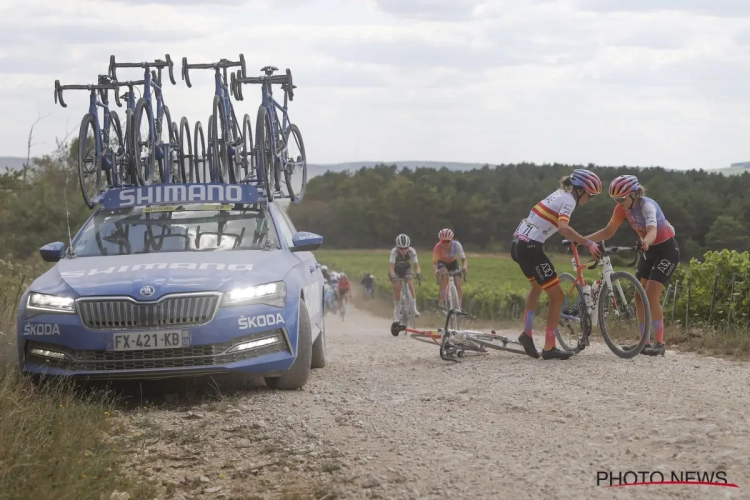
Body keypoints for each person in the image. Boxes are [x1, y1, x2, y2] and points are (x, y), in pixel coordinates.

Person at [512, 169, 603, 360]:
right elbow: (563, 227)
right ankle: (549, 347)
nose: (590, 199)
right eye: (590, 194)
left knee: (536, 287)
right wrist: (587, 242)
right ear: (580, 190)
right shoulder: (569, 200)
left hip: (518, 244)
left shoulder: (559, 194)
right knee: (557, 296)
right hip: (531, 248)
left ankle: (527, 334)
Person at [585, 175, 678, 356]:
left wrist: (647, 242)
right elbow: (608, 231)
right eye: (615, 200)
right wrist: (582, 240)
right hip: (647, 250)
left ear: (634, 194)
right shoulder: (621, 208)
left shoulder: (648, 206)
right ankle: (644, 342)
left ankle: (660, 343)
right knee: (638, 295)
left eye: (621, 199)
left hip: (666, 251)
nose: (618, 203)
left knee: (651, 294)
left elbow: (652, 231)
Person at [389, 234, 422, 323]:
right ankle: (396, 311)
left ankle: (414, 308)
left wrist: (418, 273)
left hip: (406, 268)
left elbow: (416, 266)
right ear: (397, 247)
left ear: (409, 247)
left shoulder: (412, 251)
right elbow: (391, 268)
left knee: (410, 282)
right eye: (401, 248)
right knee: (398, 286)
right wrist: (393, 276)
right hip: (396, 270)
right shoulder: (394, 252)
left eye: (405, 248)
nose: (403, 250)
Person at [432, 229, 468, 310]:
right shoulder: (437, 247)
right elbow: (434, 263)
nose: (445, 244)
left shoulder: (456, 245)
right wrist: (436, 271)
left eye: (447, 241)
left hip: (453, 263)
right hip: (442, 263)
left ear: (451, 240)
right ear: (440, 240)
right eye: (443, 241)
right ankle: (443, 299)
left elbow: (464, 260)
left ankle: (459, 306)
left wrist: (465, 267)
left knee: (458, 283)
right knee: (444, 274)